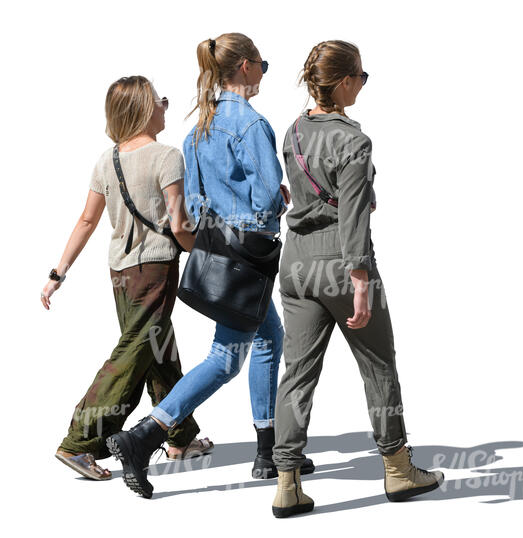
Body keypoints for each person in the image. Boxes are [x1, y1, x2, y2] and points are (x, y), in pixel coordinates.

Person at [107, 33, 314, 499]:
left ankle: (269, 449)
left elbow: (196, 205)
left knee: (268, 339)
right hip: (251, 256)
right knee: (226, 359)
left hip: (217, 252)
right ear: (243, 66)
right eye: (262, 63)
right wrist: (276, 203)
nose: (263, 71)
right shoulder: (252, 124)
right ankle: (143, 437)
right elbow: (263, 197)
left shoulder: (195, 128)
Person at [270, 40, 445, 518]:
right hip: (338, 265)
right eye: (361, 76)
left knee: (297, 374)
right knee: (377, 366)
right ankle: (398, 468)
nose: (363, 83)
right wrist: (361, 281)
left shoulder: (293, 131)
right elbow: (353, 221)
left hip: (295, 264)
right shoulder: (354, 140)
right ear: (343, 82)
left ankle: (287, 483)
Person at [42, 75, 213, 481]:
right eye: (161, 101)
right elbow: (180, 224)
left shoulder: (108, 159)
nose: (165, 107)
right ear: (142, 109)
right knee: (133, 354)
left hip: (120, 272)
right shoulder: (167, 156)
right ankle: (79, 442)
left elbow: (87, 220)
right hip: (154, 269)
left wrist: (58, 272)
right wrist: (210, 248)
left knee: (158, 349)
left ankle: (179, 434)